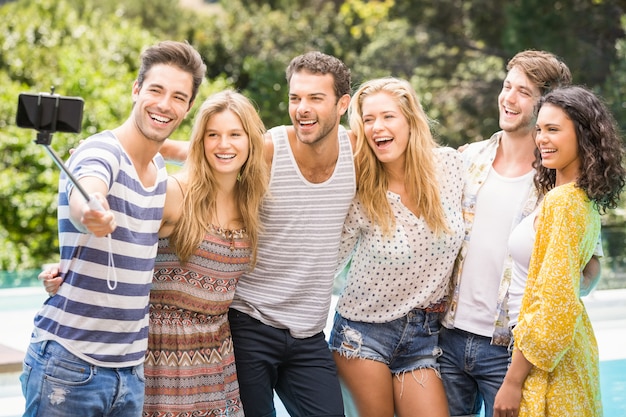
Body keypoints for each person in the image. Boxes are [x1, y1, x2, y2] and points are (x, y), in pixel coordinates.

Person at [21, 40, 206, 417]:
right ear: (136, 90)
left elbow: (228, 152)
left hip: (131, 372)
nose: (164, 104)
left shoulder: (160, 177)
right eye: (155, 90)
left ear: (187, 108)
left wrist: (170, 150)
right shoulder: (99, 152)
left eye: (178, 97)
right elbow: (88, 187)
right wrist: (92, 210)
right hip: (70, 365)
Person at [438, 50, 600, 417]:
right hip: (448, 338)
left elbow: (588, 271)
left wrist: (546, 300)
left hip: (509, 349)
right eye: (507, 86)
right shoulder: (467, 159)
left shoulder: (559, 182)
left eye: (523, 92)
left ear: (548, 104)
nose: (508, 98)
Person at [225, 51, 355, 417]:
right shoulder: (269, 149)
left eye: (316, 98)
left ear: (342, 104)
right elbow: (211, 155)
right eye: (295, 98)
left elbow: (408, 159)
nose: (302, 108)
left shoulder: (356, 150)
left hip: (309, 333)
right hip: (250, 321)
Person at [328, 77, 464, 417]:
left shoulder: (450, 166)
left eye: (387, 116)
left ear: (409, 121)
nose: (377, 127)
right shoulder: (360, 188)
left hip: (424, 335)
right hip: (361, 335)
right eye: (368, 120)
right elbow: (326, 260)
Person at [493, 86, 626, 417]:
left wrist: (512, 380)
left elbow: (554, 306)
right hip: (564, 353)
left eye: (553, 129)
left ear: (582, 136)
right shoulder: (579, 198)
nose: (541, 139)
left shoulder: (563, 203)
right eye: (539, 129)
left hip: (549, 365)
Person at [143, 90, 268, 416]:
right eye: (213, 135)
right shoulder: (175, 193)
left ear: (250, 142)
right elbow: (119, 243)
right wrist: (66, 271)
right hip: (163, 352)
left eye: (234, 135)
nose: (223, 144)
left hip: (216, 353)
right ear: (200, 141)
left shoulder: (251, 202)